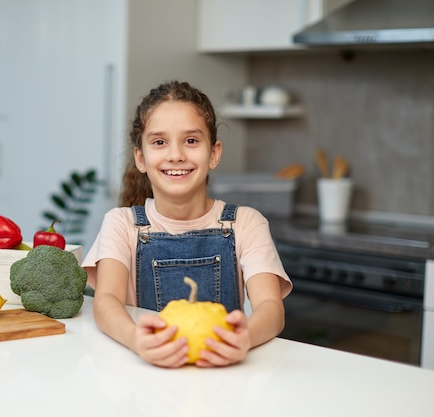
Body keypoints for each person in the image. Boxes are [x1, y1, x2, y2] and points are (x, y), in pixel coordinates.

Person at [82, 80, 292, 368]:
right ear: (141, 158)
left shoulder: (246, 223)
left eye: (191, 141)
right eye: (159, 142)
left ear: (214, 153)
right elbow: (106, 302)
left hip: (223, 376)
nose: (176, 154)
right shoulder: (121, 224)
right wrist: (136, 340)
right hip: (147, 376)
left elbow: (271, 308)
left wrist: (246, 338)